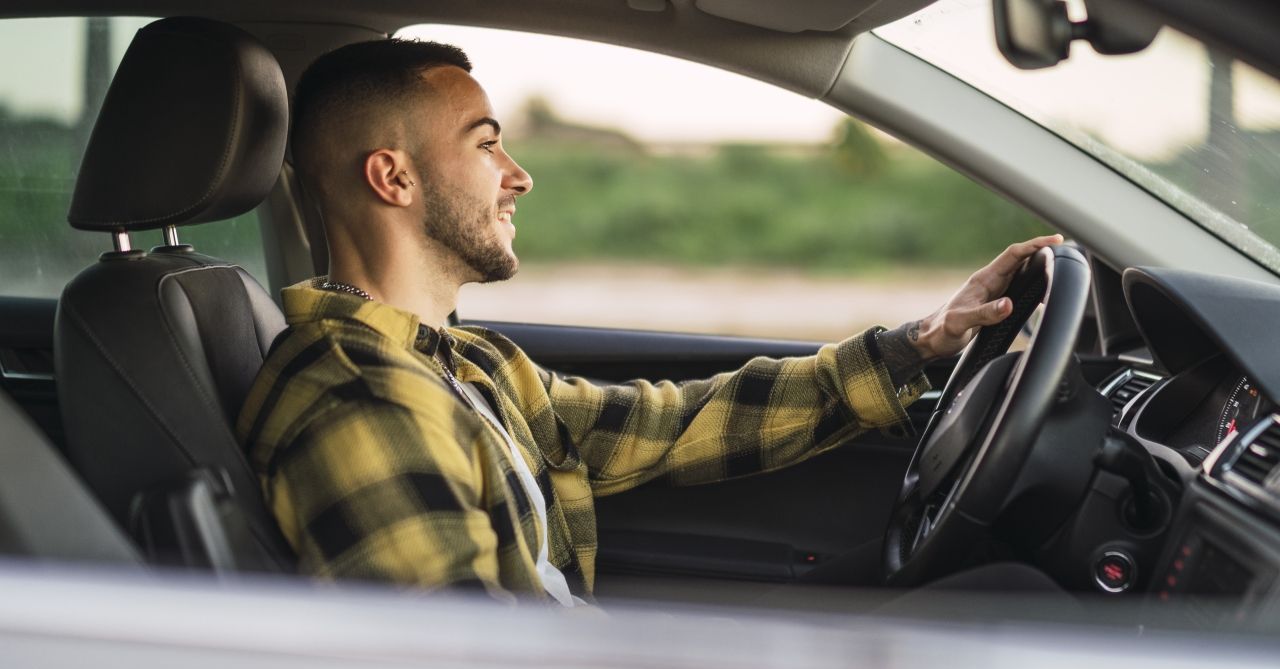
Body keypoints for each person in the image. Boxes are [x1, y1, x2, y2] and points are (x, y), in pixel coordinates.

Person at [236, 38, 1063, 606]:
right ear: (393, 177)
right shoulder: (361, 397)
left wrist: (922, 342)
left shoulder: (465, 362)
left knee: (998, 595)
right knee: (1009, 603)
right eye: (487, 145)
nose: (518, 176)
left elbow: (670, 424)